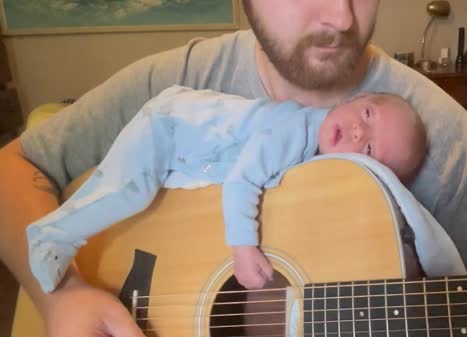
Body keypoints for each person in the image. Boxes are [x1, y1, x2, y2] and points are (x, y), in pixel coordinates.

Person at [1, 1, 467, 337]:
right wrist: (61, 300)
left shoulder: (449, 144)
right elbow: (11, 168)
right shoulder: (172, 85)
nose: (339, 12)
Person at [26, 86, 427, 293]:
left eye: (370, 147)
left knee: (142, 199)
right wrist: (243, 248)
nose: (358, 130)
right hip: (170, 128)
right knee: (127, 191)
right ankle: (49, 236)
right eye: (367, 113)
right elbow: (242, 180)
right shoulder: (294, 129)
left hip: (188, 155)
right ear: (353, 99)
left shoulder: (315, 164)